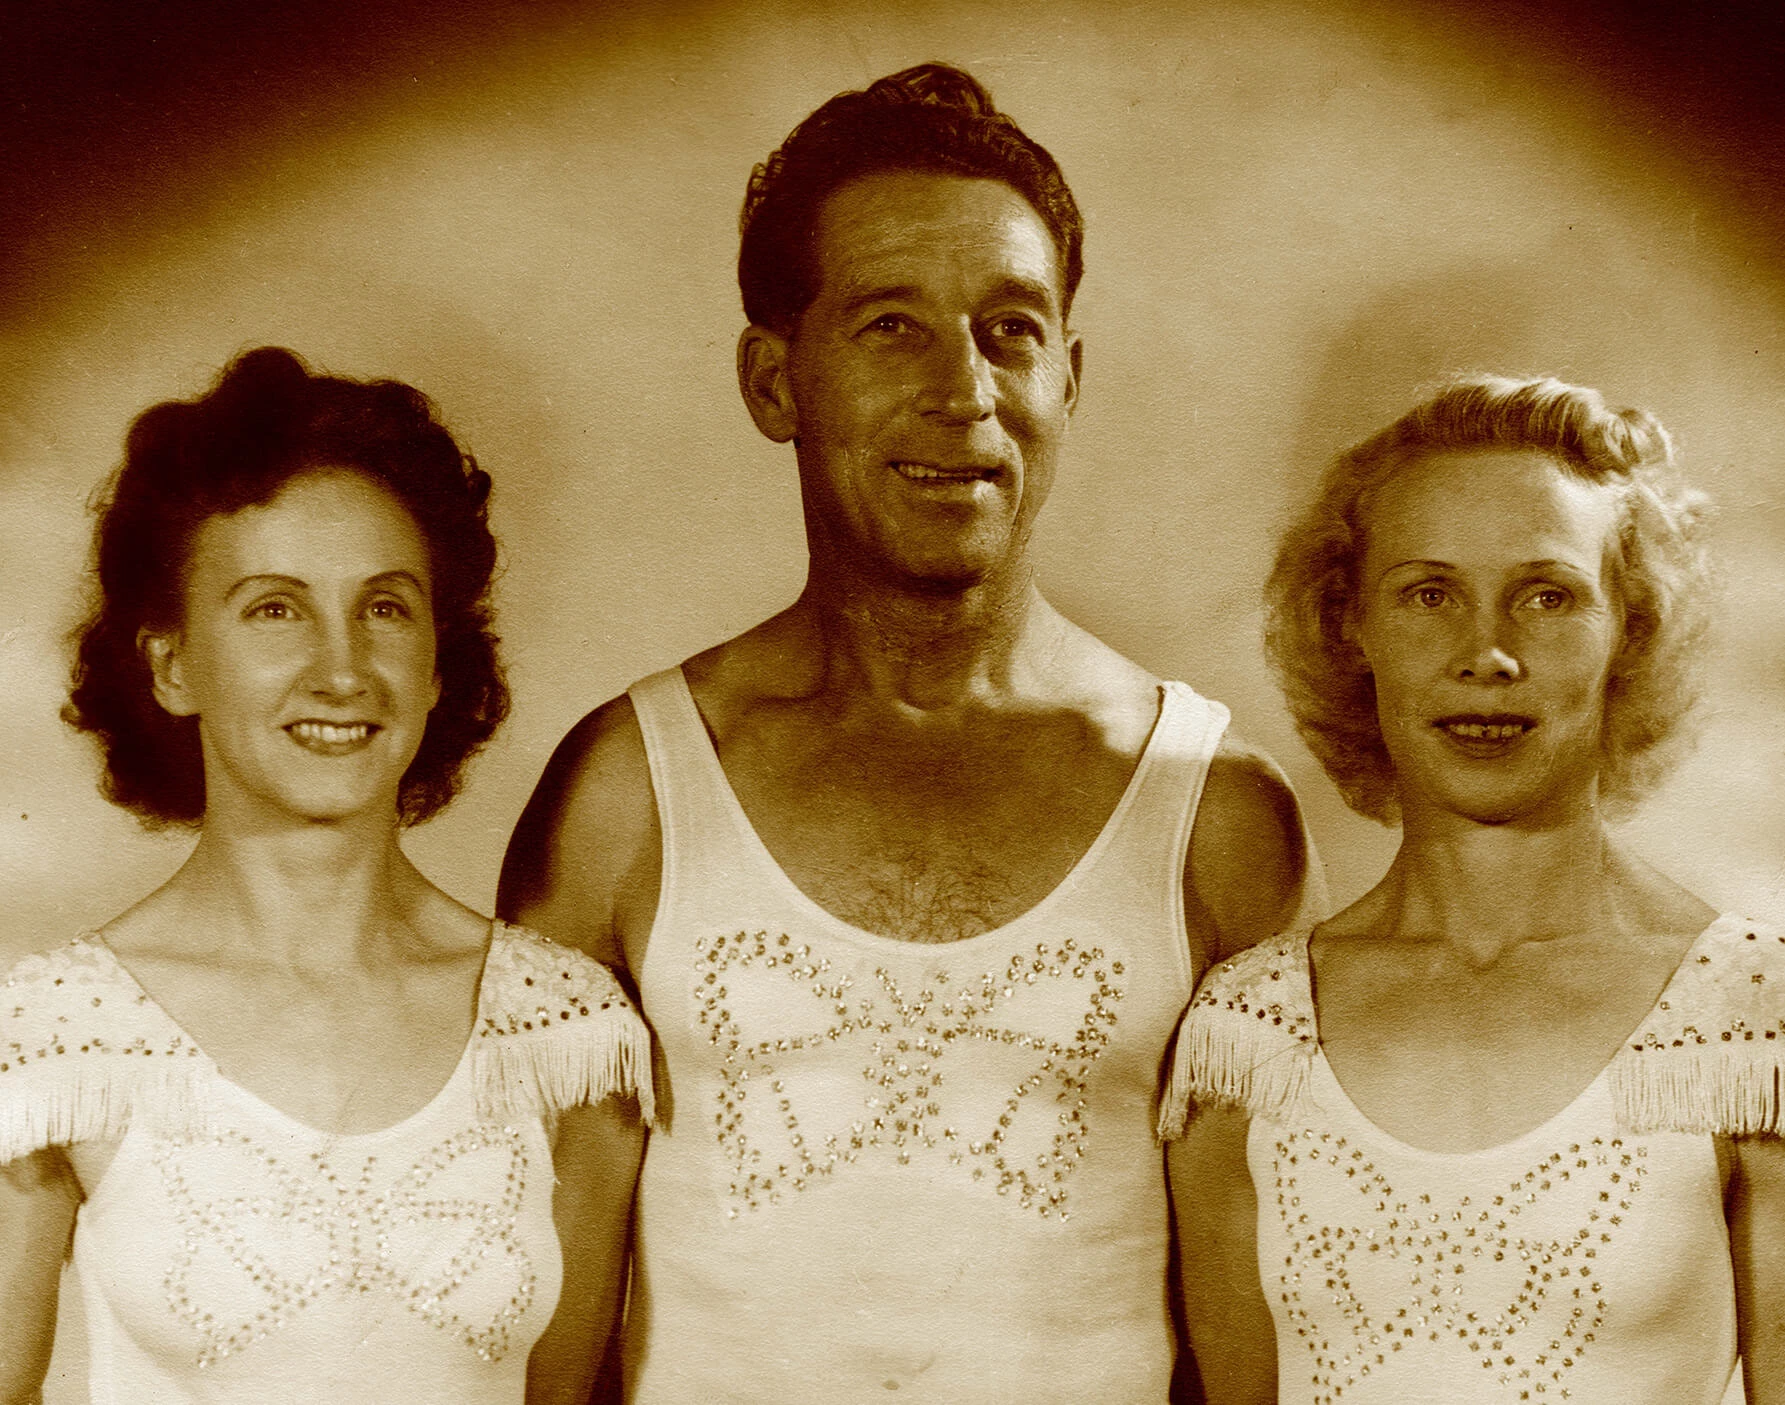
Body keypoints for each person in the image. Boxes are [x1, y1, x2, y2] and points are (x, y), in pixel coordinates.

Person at [499, 63, 1315, 1401]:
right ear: (774, 381)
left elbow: (1272, 1337)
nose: (964, 390)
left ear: (1070, 376)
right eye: (891, 326)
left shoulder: (1212, 809)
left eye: (1010, 329)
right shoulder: (626, 791)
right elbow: (530, 1330)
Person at [0, 348, 653, 1405]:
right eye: (275, 608)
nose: (343, 669)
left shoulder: (566, 1032)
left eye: (385, 608)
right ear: (170, 664)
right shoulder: (56, 1039)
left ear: (437, 663)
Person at [1165, 374, 1785, 1404]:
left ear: (1629, 629)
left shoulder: (1750, 1023)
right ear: (1351, 625)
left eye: (1547, 596)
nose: (1486, 654)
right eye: (1428, 593)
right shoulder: (1247, 1034)